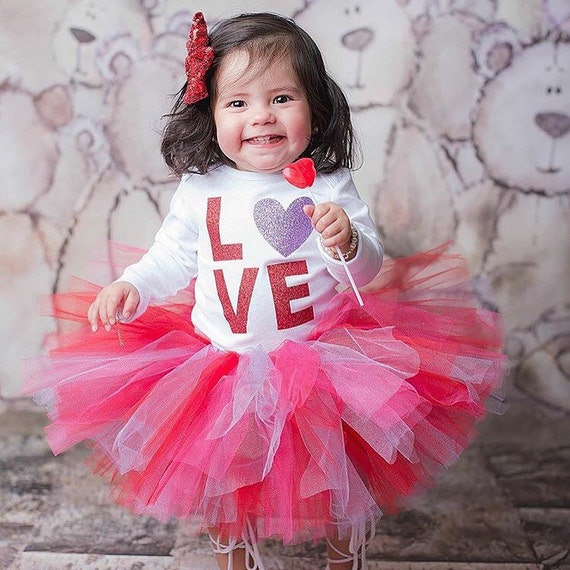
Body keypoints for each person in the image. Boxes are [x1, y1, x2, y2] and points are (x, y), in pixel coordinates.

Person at [23, 12, 505, 570]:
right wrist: (134, 283)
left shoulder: (328, 184)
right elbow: (176, 255)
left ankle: (345, 551)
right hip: (219, 362)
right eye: (238, 103)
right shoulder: (203, 187)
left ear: (315, 107)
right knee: (227, 469)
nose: (261, 117)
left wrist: (347, 241)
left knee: (338, 468)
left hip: (320, 359)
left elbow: (367, 271)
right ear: (209, 114)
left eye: (281, 98)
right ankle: (235, 554)